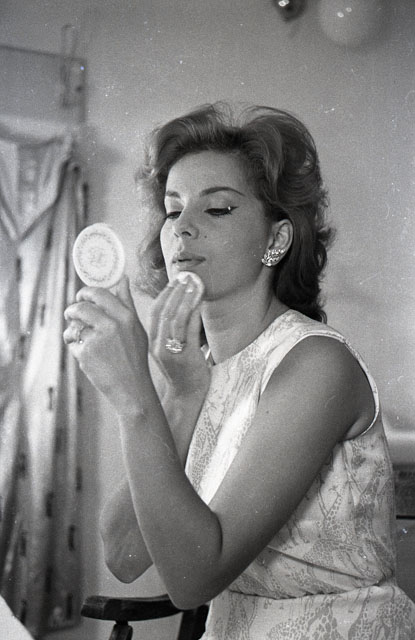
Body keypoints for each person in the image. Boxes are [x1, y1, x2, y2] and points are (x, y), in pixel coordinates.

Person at [63, 103, 415, 639]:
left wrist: (135, 394)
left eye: (218, 208)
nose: (183, 228)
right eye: (172, 210)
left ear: (275, 240)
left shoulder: (317, 364)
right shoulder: (198, 369)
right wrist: (179, 395)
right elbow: (124, 554)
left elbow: (194, 579)